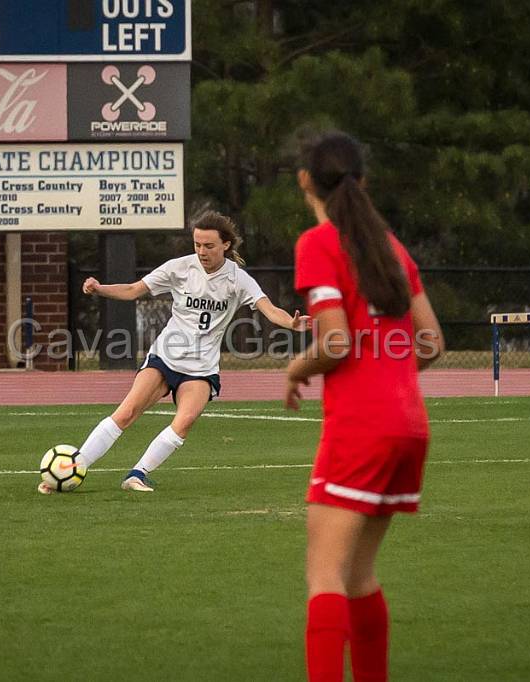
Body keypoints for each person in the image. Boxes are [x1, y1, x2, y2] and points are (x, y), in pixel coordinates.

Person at [284, 131, 444, 681]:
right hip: (409, 424)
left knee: (324, 576)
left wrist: (294, 370)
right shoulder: (391, 246)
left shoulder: (319, 243)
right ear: (364, 181)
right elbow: (432, 341)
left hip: (362, 428)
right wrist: (390, 376)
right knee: (359, 577)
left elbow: (333, 343)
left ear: (305, 180)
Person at [43, 210, 309, 493]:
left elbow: (269, 309)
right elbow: (134, 290)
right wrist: (99, 288)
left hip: (201, 369)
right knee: (126, 412)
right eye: (197, 244)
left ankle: (137, 474)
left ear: (226, 246)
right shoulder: (179, 268)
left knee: (184, 422)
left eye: (209, 245)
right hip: (165, 358)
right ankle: (71, 469)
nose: (202, 251)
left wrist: (291, 323)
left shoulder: (237, 279)